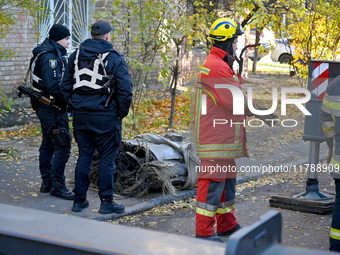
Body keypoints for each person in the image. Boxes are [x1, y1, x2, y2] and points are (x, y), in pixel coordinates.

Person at [61, 20, 132, 214]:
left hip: (81, 116)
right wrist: (120, 113)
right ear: (108, 36)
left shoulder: (75, 56)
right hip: (106, 116)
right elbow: (125, 89)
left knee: (84, 155)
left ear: (92, 35)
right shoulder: (114, 57)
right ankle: (106, 203)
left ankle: (79, 200)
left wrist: (74, 106)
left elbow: (65, 86)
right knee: (107, 160)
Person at [193, 18, 247, 242]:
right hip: (216, 138)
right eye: (235, 41)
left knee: (226, 182)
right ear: (227, 42)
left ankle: (226, 225)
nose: (236, 45)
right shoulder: (217, 66)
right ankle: (203, 233)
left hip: (223, 137)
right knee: (212, 183)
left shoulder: (220, 63)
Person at [31, 24, 73, 200]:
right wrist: (67, 103)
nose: (69, 42)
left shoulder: (46, 52)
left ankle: (47, 182)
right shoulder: (50, 58)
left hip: (45, 107)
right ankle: (57, 184)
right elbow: (54, 87)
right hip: (52, 108)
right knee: (63, 145)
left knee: (48, 144)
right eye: (66, 39)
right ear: (58, 39)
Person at [320, 75, 340, 252]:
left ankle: (336, 246)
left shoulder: (334, 84)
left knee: (339, 203)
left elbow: (326, 120)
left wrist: (331, 147)